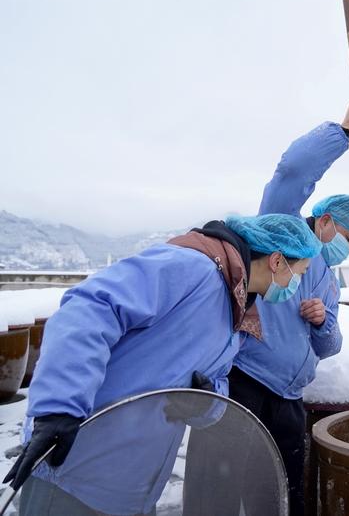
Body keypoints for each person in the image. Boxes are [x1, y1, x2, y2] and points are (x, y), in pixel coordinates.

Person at [3, 214, 321, 515]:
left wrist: (204, 405)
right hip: (75, 474)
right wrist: (58, 407)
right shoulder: (192, 268)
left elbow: (219, 381)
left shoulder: (235, 310)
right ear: (277, 261)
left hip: (134, 489)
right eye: (301, 272)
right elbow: (89, 309)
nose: (298, 284)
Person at [188, 98, 349, 516]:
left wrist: (323, 322)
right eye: (347, 235)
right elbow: (293, 171)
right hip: (244, 382)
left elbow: (331, 346)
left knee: (279, 494)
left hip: (289, 398)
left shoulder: (327, 276)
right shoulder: (282, 229)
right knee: (215, 492)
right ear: (323, 220)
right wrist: (343, 132)